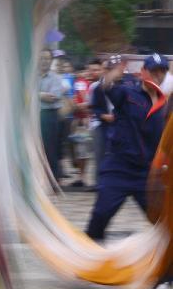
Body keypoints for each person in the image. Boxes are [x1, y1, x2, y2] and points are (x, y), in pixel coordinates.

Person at [85, 54, 168, 242]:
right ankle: (91, 261)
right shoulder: (128, 93)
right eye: (153, 71)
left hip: (147, 174)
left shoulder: (165, 103)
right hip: (118, 168)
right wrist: (111, 75)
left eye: (161, 72)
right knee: (100, 215)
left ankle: (167, 268)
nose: (157, 76)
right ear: (143, 72)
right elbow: (105, 88)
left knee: (164, 221)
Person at [38, 49, 66, 182]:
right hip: (34, 116)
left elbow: (53, 98)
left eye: (47, 58)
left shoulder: (56, 78)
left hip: (50, 116)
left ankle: (54, 180)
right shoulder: (32, 76)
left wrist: (36, 94)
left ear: (51, 61)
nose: (44, 61)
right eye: (42, 58)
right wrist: (42, 95)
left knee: (50, 149)